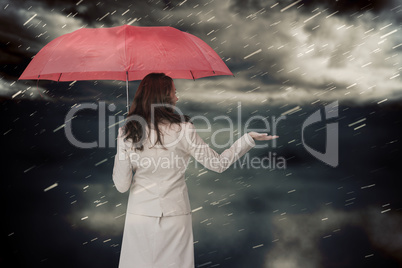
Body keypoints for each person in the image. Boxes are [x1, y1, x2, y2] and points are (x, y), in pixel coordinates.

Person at [112, 73, 279, 268]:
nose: (177, 97)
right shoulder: (184, 129)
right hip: (175, 216)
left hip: (139, 216)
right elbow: (218, 164)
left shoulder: (127, 133)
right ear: (164, 97)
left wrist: (122, 146)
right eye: (174, 92)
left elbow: (122, 185)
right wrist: (247, 139)